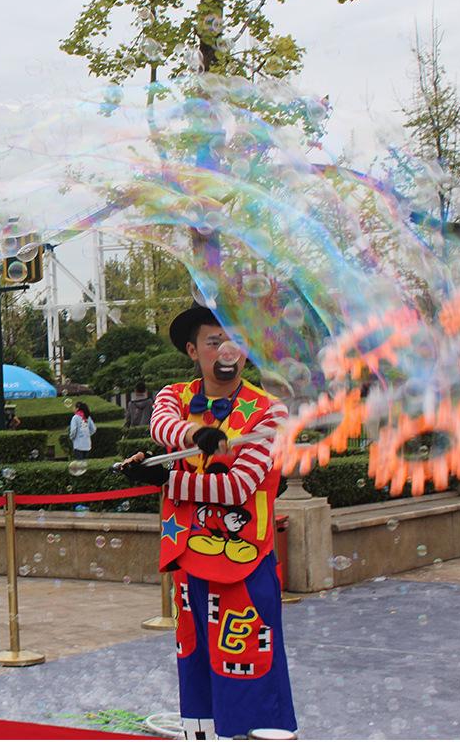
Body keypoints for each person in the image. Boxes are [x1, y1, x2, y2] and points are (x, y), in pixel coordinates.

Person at [120, 302, 296, 739]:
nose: (225, 349)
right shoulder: (173, 397)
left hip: (244, 562)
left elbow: (239, 487)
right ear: (193, 351)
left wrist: (167, 479)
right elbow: (162, 426)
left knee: (248, 659)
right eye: (213, 340)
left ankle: (255, 733)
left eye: (233, 339)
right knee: (194, 658)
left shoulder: (268, 411)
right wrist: (196, 436)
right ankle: (198, 732)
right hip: (188, 558)